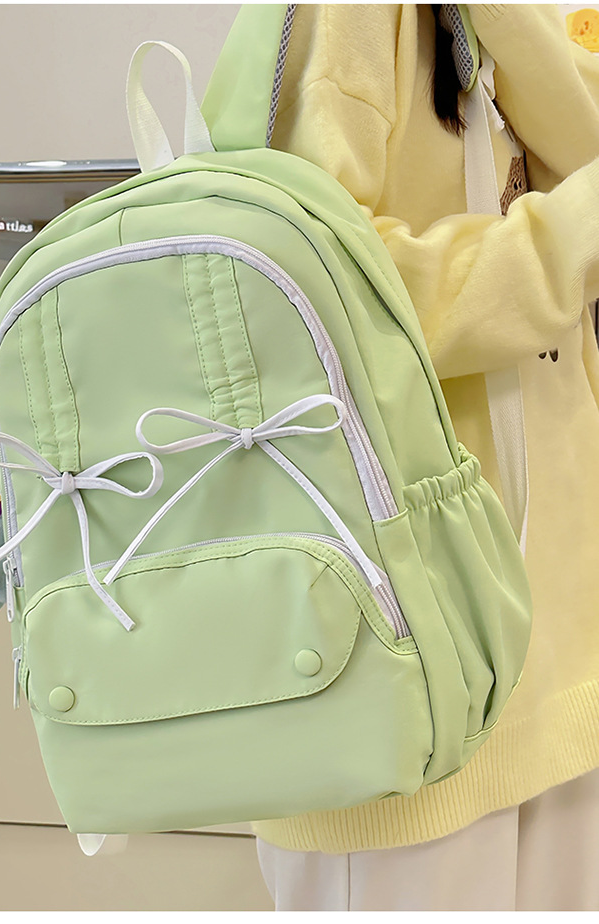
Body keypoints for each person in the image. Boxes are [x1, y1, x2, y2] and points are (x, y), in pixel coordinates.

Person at [250, 4, 599, 911]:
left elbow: (582, 142)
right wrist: (565, 240)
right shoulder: (350, 19)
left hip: (551, 654)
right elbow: (312, 285)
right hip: (408, 661)